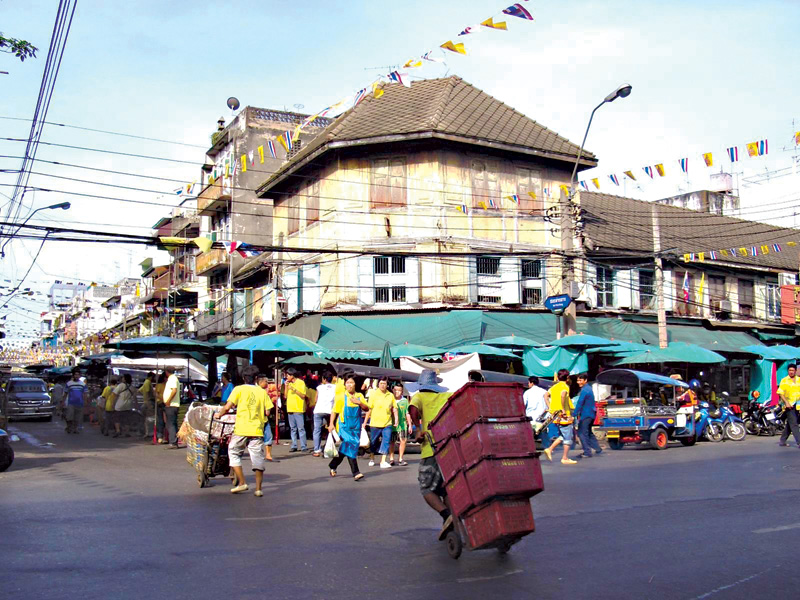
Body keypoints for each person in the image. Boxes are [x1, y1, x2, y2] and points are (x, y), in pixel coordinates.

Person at [408, 369, 454, 540]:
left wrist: (418, 429)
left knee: (426, 488)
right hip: (450, 446)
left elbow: (413, 409)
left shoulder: (419, 396)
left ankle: (446, 515)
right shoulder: (446, 396)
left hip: (431, 448)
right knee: (445, 489)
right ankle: (450, 524)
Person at [216, 365, 272, 496]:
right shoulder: (262, 392)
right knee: (257, 458)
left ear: (243, 377)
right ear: (256, 379)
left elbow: (228, 406)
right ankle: (258, 489)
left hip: (241, 428)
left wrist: (219, 414)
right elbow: (268, 412)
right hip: (257, 429)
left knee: (233, 452)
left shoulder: (238, 389)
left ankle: (242, 483)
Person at [327, 373, 369, 480]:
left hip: (356, 428)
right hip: (344, 427)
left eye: (351, 382)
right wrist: (331, 424)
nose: (349, 385)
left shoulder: (359, 396)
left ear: (355, 384)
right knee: (351, 446)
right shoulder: (341, 396)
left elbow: (366, 408)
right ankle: (356, 472)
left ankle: (333, 465)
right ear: (345, 385)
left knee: (346, 448)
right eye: (347, 383)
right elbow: (334, 411)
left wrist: (358, 402)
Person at [543, 369, 577, 465]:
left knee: (563, 435)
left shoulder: (554, 387)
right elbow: (563, 395)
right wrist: (562, 409)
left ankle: (549, 449)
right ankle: (565, 458)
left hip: (555, 415)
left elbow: (545, 396)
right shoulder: (565, 387)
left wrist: (550, 407)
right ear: (567, 378)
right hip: (564, 415)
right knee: (568, 437)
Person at [365, 377, 398, 469]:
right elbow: (369, 409)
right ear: (378, 384)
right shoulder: (373, 394)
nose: (383, 385)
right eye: (381, 383)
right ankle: (372, 457)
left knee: (386, 441)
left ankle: (383, 461)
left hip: (387, 423)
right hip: (375, 423)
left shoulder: (390, 395)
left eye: (384, 383)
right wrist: (364, 422)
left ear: (387, 385)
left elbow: (394, 408)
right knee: (373, 442)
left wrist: (396, 420)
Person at [573, 373, 603, 458]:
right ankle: (598, 449)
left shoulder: (585, 390)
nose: (578, 382)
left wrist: (574, 414)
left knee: (582, 433)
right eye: (578, 380)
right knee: (589, 433)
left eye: (580, 380)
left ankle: (587, 452)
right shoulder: (588, 388)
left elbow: (580, 403)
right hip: (591, 414)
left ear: (585, 380)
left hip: (586, 415)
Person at [312, 371, 336, 457]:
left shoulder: (319, 387)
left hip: (318, 410)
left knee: (317, 430)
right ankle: (330, 447)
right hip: (330, 410)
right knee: (331, 428)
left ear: (324, 379)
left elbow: (315, 400)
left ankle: (317, 450)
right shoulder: (335, 387)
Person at [285, 368, 308, 452]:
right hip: (290, 408)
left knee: (301, 428)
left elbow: (303, 395)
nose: (286, 377)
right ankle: (294, 445)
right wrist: (287, 387)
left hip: (298, 408)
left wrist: (294, 389)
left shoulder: (301, 382)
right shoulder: (288, 384)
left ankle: (303, 446)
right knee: (292, 428)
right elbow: (285, 396)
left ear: (292, 376)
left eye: (287, 375)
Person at [388, 382, 412, 466]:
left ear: (402, 391)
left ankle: (400, 458)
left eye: (399, 390)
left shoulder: (405, 401)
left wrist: (409, 424)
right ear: (392, 390)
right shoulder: (390, 399)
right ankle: (391, 458)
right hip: (392, 424)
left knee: (403, 440)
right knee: (392, 441)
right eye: (395, 390)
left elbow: (407, 413)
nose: (397, 392)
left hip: (402, 424)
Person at [777, 363, 800, 448]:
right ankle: (799, 441)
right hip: (788, 405)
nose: (791, 372)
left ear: (795, 371)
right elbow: (780, 393)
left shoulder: (799, 380)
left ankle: (782, 440)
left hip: (798, 405)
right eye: (789, 370)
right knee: (794, 424)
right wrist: (786, 402)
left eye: (792, 370)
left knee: (791, 424)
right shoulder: (784, 380)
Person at [257, 375, 276, 462]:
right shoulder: (263, 393)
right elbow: (268, 409)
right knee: (268, 436)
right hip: (263, 419)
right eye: (266, 382)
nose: (267, 384)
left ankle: (258, 454)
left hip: (253, 419)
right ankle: (268, 454)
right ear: (260, 382)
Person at [64, 367, 87, 434]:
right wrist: (63, 401)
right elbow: (65, 393)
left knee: (77, 418)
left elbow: (85, 394)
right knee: (69, 417)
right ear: (73, 375)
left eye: (78, 375)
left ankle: (75, 429)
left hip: (80, 403)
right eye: (75, 374)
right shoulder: (69, 383)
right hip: (71, 403)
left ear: (80, 376)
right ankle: (69, 427)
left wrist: (85, 401)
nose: (76, 376)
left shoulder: (83, 384)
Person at [162, 366, 181, 449]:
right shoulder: (172, 378)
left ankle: (173, 442)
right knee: (173, 423)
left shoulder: (172, 379)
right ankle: (174, 441)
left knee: (170, 424)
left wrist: (168, 401)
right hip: (172, 404)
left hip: (171, 405)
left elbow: (174, 390)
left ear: (166, 372)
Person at [139, 372, 155, 438]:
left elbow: (140, 390)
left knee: (145, 418)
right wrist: (151, 397)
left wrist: (144, 397)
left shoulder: (145, 382)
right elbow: (148, 391)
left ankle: (146, 431)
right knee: (150, 418)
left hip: (145, 401)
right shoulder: (148, 382)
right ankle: (149, 432)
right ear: (151, 376)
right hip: (149, 402)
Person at [154, 372, 167, 443]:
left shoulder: (167, 385)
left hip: (165, 403)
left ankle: (162, 436)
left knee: (163, 421)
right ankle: (160, 436)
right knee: (161, 420)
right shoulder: (160, 385)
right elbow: (156, 394)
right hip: (161, 403)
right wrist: (162, 398)